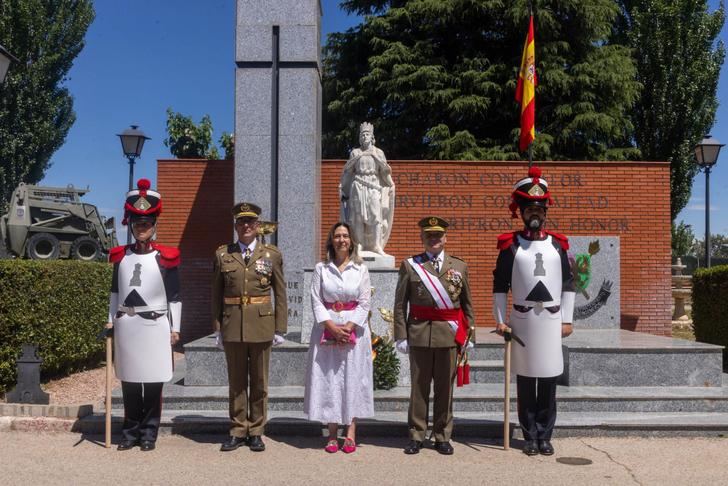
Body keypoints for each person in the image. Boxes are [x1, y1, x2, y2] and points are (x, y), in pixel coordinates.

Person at [492, 165, 575, 456]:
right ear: (522, 211)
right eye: (530, 209)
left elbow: (568, 283)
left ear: (546, 211)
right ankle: (528, 435)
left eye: (540, 209)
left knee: (549, 380)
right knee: (526, 381)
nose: (535, 214)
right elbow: (500, 286)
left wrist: (568, 319)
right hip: (523, 322)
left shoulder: (558, 245)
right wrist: (501, 322)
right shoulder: (510, 246)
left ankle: (545, 434)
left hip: (551, 321)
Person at [107, 178, 181, 451]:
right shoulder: (120, 256)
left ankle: (149, 433)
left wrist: (176, 328)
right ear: (131, 225)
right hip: (128, 324)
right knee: (129, 382)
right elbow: (114, 292)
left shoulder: (166, 257)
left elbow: (175, 295)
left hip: (155, 324)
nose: (142, 228)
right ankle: (130, 432)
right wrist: (110, 318)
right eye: (138, 224)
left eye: (146, 224)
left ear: (154, 226)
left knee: (152, 383)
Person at [393, 216, 475, 455]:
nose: (434, 239)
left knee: (444, 389)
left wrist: (470, 337)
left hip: (449, 336)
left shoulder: (459, 266)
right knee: (418, 388)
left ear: (445, 237)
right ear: (422, 238)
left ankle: (442, 435)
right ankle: (416, 434)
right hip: (419, 334)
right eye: (429, 235)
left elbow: (467, 305)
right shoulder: (410, 265)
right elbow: (400, 304)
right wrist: (401, 335)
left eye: (438, 235)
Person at [212, 202, 287, 452]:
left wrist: (280, 329)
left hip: (262, 324)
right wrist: (217, 328)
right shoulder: (223, 254)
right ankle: (236, 429)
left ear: (258, 226)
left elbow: (280, 293)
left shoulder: (271, 255)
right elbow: (216, 293)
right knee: (236, 382)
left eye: (250, 222)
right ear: (235, 226)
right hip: (232, 324)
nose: (246, 226)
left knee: (259, 381)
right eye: (241, 222)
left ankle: (256, 430)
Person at [303, 222, 374, 454]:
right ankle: (332, 433)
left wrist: (350, 326)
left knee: (352, 378)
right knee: (330, 379)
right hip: (327, 329)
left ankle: (351, 432)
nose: (341, 240)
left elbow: (365, 301)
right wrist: (332, 327)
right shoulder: (321, 268)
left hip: (355, 330)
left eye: (345, 236)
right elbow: (315, 300)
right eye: (337, 236)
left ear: (351, 240)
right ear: (331, 241)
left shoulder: (360, 269)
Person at [339, 122, 395, 255]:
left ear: (372, 137)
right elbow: (347, 170)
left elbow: (385, 171)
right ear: (360, 137)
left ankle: (377, 245)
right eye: (362, 134)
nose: (365, 136)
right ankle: (359, 245)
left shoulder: (378, 152)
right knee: (357, 217)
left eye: (367, 134)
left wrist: (391, 184)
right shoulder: (355, 152)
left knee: (376, 215)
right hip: (358, 185)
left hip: (374, 185)